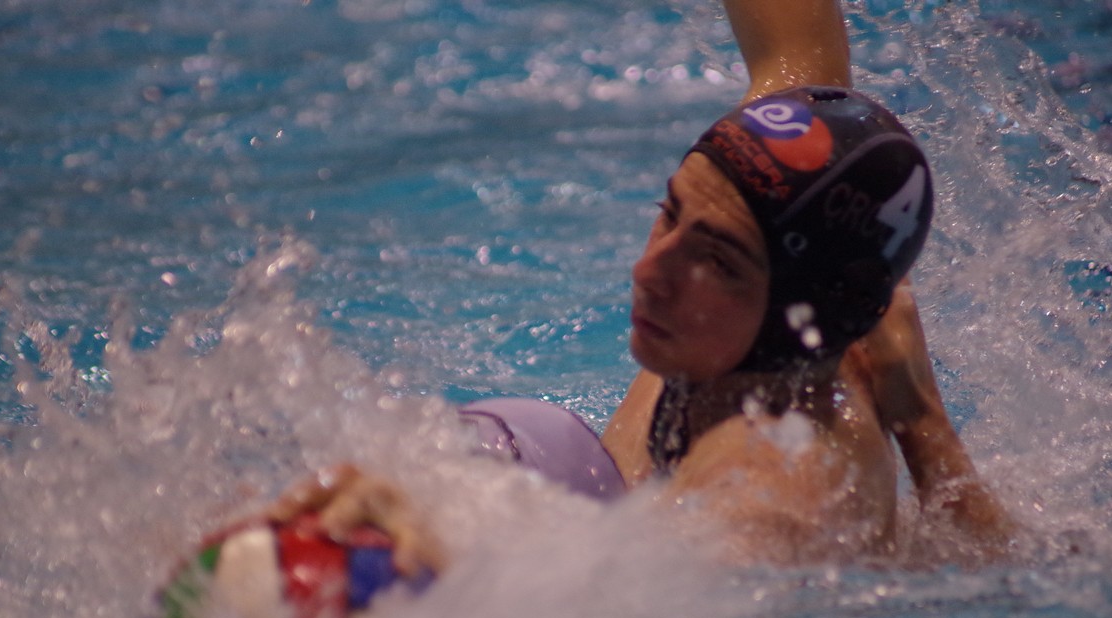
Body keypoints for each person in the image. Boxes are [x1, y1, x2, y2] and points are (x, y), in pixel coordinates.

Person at [248, 0, 1013, 572]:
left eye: (716, 260)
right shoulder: (743, 323)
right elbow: (800, 59)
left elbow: (610, 611)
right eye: (669, 211)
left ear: (800, 310)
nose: (650, 271)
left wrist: (437, 545)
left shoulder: (772, 485)